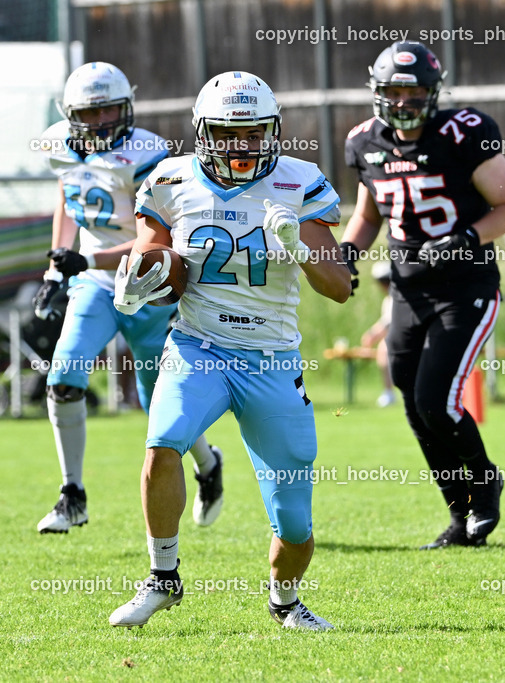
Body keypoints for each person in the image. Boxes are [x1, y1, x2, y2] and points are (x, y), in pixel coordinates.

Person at [107, 71, 351, 630]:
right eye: (227, 133)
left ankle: (285, 602)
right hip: (200, 345)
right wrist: (136, 282)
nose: (242, 147)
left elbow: (338, 287)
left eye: (254, 133)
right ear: (203, 132)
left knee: (293, 523)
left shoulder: (300, 182)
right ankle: (162, 578)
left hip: (272, 358)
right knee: (164, 440)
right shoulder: (169, 180)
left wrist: (298, 247)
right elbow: (155, 260)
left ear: (274, 132)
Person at [340, 41, 505, 549]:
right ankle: (458, 514)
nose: (403, 101)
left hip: (464, 286)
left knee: (435, 399)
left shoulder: (462, 134)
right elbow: (367, 216)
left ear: (433, 92)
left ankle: (485, 483)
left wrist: (464, 239)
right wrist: (347, 253)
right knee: (411, 399)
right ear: (377, 93)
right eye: (393, 91)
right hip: (408, 288)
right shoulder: (365, 142)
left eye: (414, 90)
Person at [32, 62, 224, 534]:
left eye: (109, 111)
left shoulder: (148, 154)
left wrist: (85, 262)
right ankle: (72, 494)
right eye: (90, 113)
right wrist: (57, 266)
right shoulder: (59, 144)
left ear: (127, 108)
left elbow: (155, 238)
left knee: (157, 399)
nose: (100, 122)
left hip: (146, 278)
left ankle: (209, 463)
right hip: (93, 281)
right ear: (71, 114)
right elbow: (68, 195)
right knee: (64, 375)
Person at [360, 262, 396, 408]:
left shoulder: (395, 297)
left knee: (384, 348)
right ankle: (388, 392)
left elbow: (389, 322)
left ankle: (388, 392)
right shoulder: (389, 298)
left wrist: (372, 335)